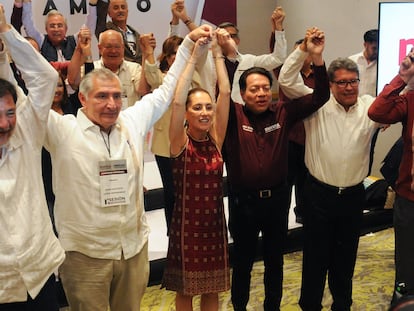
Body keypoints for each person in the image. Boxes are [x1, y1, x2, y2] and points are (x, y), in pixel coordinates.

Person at [43, 24, 212, 311]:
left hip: (132, 250)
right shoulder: (62, 130)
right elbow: (27, 101)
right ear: (82, 99)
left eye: (117, 96)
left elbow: (165, 91)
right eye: (102, 96)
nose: (112, 104)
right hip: (87, 255)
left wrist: (186, 48)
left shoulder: (131, 121)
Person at [223, 28, 330, 311]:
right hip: (243, 203)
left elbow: (320, 97)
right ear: (242, 93)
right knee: (243, 262)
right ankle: (240, 307)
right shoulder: (231, 118)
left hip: (277, 202)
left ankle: (273, 307)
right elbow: (220, 92)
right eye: (253, 89)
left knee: (275, 261)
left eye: (263, 88)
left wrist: (316, 58)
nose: (260, 94)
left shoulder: (284, 111)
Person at [279, 29, 383, 311]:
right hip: (318, 196)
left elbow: (397, 101)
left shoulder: (369, 106)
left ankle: (342, 304)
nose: (349, 88)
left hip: (352, 197)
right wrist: (306, 51)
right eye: (342, 83)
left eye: (353, 82)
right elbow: (286, 80)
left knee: (345, 257)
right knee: (315, 256)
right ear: (331, 83)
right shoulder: (317, 103)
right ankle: (310, 306)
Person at [0, 5, 65, 309]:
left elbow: (44, 78)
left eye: (10, 113)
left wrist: (5, 32)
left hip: (39, 277)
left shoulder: (25, 132)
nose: (4, 123)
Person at [162, 29, 231, 311]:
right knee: (187, 290)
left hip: (214, 225)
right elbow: (177, 100)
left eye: (208, 107)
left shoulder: (216, 139)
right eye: (198, 107)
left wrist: (216, 52)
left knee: (212, 288)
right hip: (187, 226)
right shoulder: (179, 141)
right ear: (188, 113)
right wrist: (191, 57)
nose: (204, 112)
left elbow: (225, 91)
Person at [368, 47, 414, 302]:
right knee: (407, 267)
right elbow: (378, 112)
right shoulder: (410, 100)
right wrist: (402, 76)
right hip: (409, 200)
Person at [218, 6, 287, 104]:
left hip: (243, 115)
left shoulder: (249, 61)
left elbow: (278, 58)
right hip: (216, 114)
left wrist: (278, 27)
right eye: (223, 36)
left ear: (238, 40)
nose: (227, 39)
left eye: (232, 36)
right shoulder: (207, 62)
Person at [68, 29, 143, 109]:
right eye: (108, 47)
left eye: (117, 47)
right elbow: (73, 82)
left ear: (123, 48)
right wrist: (79, 48)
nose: (113, 51)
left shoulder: (135, 69)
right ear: (99, 49)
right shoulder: (91, 69)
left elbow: (143, 91)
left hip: (128, 119)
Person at [20, 0, 97, 62]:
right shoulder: (41, 41)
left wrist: (92, 5)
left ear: (66, 29)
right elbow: (28, 24)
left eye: (60, 26)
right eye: (52, 26)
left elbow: (89, 27)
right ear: (46, 29)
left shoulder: (74, 40)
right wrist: (27, 2)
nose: (56, 29)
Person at [349, 29, 378, 97]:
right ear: (365, 45)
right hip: (354, 104)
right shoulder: (352, 61)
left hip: (373, 105)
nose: (376, 51)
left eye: (379, 48)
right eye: (374, 48)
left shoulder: (383, 66)